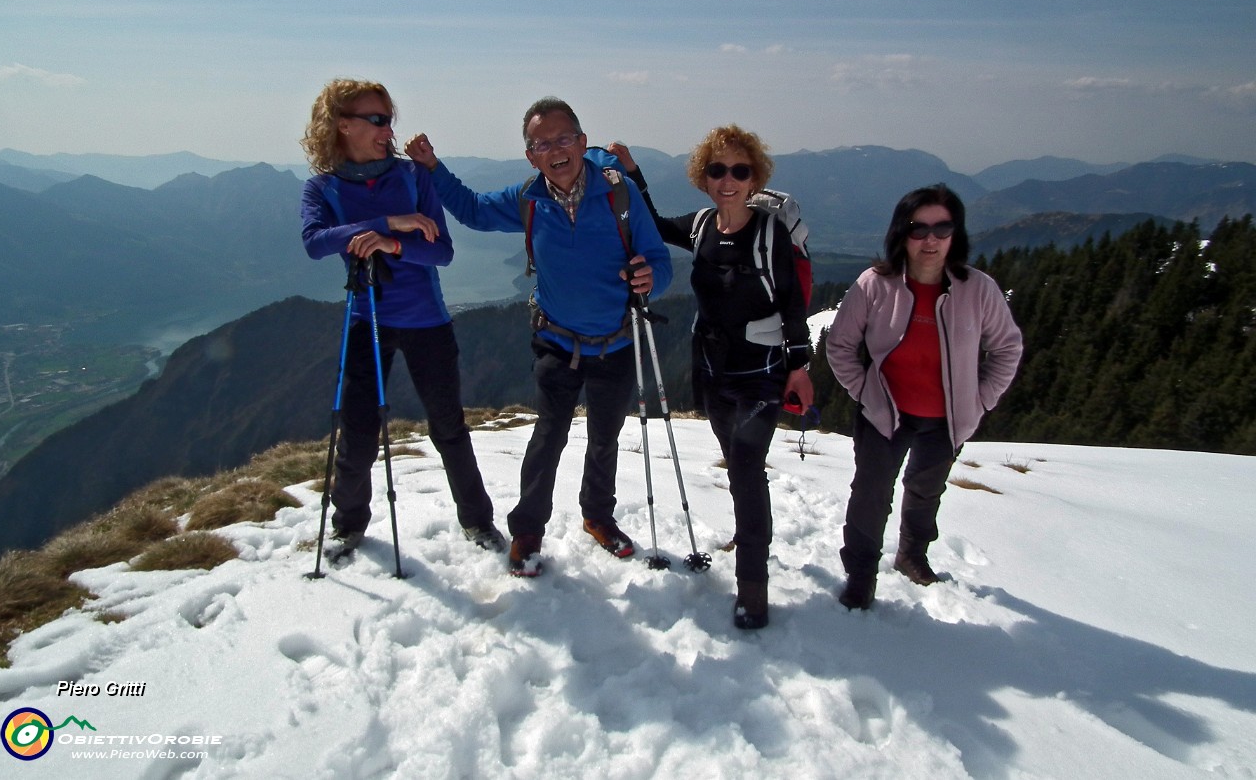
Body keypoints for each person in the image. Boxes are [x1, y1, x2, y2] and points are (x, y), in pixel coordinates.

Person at [405, 97, 673, 576]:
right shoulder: (529, 197)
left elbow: (662, 261)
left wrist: (652, 276)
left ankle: (598, 517)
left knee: (605, 437)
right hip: (556, 341)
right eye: (541, 143)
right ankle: (528, 530)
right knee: (548, 437)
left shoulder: (620, 196)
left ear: (582, 142)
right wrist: (433, 167)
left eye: (563, 138)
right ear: (530, 156)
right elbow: (471, 210)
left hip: (615, 341)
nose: (555, 149)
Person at [613, 127, 812, 630]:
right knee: (738, 464)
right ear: (703, 177)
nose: (728, 180)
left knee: (747, 468)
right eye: (717, 170)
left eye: (739, 171)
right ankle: (749, 534)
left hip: (761, 375)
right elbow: (653, 225)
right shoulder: (701, 226)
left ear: (754, 178)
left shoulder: (771, 234)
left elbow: (792, 305)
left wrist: (800, 368)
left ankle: (753, 589)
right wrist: (633, 175)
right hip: (714, 373)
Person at [299, 79, 505, 556]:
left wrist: (391, 245)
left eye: (389, 118)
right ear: (342, 124)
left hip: (425, 320)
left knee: (448, 426)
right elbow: (315, 242)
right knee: (357, 429)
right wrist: (389, 223)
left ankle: (478, 522)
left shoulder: (414, 176)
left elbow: (445, 254)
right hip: (365, 317)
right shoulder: (323, 187)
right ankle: (349, 524)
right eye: (378, 120)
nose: (388, 129)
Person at [824, 184, 1023, 610]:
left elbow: (1007, 348)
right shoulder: (875, 285)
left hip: (947, 418)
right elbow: (840, 345)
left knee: (926, 488)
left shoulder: (978, 290)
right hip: (884, 413)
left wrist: (980, 400)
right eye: (919, 229)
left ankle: (912, 555)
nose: (930, 239)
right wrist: (865, 391)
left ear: (956, 234)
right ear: (902, 233)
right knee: (871, 493)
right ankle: (860, 572)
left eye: (942, 227)